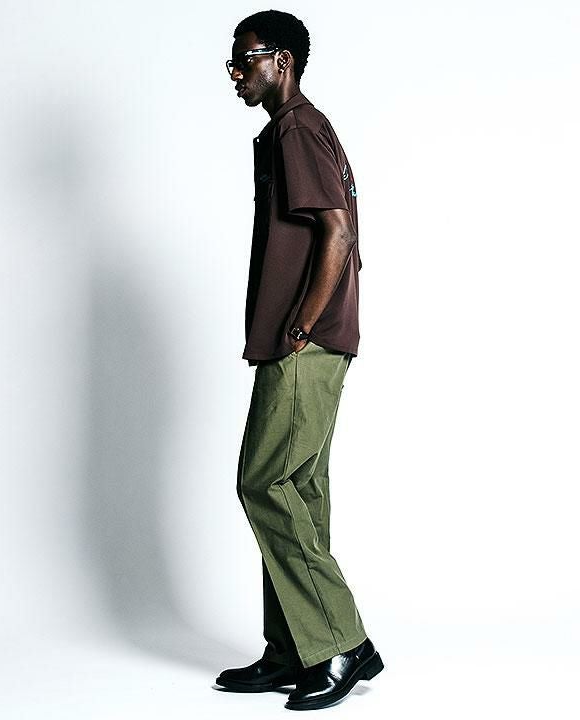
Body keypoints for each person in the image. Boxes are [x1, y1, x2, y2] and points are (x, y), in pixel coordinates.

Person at [215, 10, 384, 711]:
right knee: (300, 493)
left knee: (265, 483)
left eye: (245, 60)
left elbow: (337, 232)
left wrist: (302, 325)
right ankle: (295, 648)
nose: (235, 74)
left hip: (306, 345)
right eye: (231, 63)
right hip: (312, 342)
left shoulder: (297, 129)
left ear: (280, 59)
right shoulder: (291, 130)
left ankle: (342, 642)